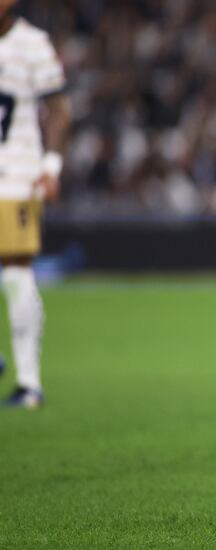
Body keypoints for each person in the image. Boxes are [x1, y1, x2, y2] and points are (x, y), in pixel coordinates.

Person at [0, 0, 70, 410]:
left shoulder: (32, 44)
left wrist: (51, 166)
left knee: (15, 264)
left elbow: (59, 108)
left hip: (15, 176)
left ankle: (29, 383)